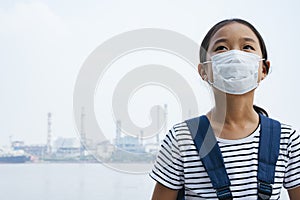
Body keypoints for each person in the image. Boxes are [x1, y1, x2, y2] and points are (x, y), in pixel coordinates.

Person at [150, 18, 300, 199]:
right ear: (203, 71)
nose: (235, 56)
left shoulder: (288, 140)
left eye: (247, 47)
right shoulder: (181, 139)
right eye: (221, 48)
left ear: (264, 69)